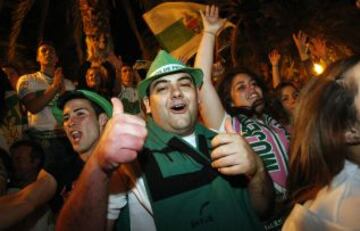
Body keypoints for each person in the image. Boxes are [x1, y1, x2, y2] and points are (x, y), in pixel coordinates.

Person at [56, 49, 274, 231]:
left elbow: (262, 210)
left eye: (185, 84)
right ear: (148, 105)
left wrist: (257, 170)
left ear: (198, 97)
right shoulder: (130, 158)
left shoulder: (223, 141)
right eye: (162, 88)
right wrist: (99, 165)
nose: (176, 92)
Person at [195, 5, 289, 230]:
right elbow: (202, 83)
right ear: (229, 100)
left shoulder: (273, 119)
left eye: (254, 83)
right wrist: (209, 33)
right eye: (241, 87)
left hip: (298, 211)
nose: (252, 89)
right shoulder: (228, 124)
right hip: (263, 221)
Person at [0, 89, 146, 229]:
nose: (70, 122)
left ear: (102, 120)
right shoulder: (62, 166)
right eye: (66, 118)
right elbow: (24, 200)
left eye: (80, 114)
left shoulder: (126, 164)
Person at [283, 56, 360, 230]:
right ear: (349, 130)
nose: (291, 100)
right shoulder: (333, 219)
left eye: (294, 95)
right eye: (285, 98)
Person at [16, 41, 75, 166]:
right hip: (42, 142)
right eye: (44, 51)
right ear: (38, 58)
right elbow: (33, 107)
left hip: (66, 140)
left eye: (52, 51)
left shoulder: (69, 84)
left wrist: (63, 90)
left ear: (57, 59)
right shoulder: (27, 80)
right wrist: (54, 87)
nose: (48, 53)